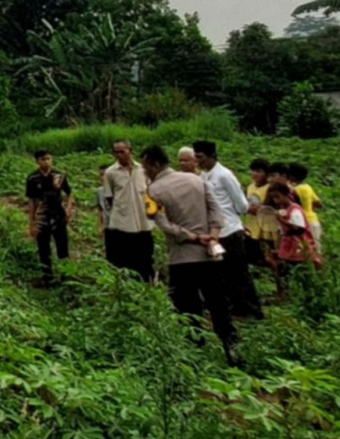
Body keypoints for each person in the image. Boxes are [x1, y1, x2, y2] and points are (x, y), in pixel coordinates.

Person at [141, 145, 240, 366]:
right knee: (218, 302)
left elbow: (165, 225)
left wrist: (193, 237)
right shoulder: (197, 180)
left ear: (155, 165)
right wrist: (213, 235)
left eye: (146, 167)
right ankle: (230, 344)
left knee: (187, 306)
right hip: (210, 256)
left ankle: (195, 353)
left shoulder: (153, 191)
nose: (145, 171)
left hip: (182, 259)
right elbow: (216, 210)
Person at [193, 141, 263, 320]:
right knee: (224, 272)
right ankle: (235, 307)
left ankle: (251, 310)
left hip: (230, 230)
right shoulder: (204, 176)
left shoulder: (224, 175)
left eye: (200, 157)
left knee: (238, 272)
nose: (198, 161)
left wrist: (233, 216)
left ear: (211, 156)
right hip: (216, 232)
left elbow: (241, 204)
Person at [103, 139, 155, 282]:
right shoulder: (110, 172)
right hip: (123, 221)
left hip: (143, 220)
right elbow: (109, 197)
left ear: (130, 151)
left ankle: (147, 282)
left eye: (122, 151)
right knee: (125, 256)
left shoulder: (143, 170)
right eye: (116, 152)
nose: (119, 155)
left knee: (145, 255)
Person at [25, 150, 73, 285]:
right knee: (43, 248)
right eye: (43, 159)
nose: (46, 162)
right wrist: (32, 223)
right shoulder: (32, 178)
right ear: (37, 161)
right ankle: (47, 277)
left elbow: (69, 193)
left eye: (48, 159)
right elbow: (32, 201)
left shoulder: (59, 175)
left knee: (62, 246)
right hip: (41, 216)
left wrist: (68, 209)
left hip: (58, 215)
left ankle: (66, 276)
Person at [267, 183, 322, 293]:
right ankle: (285, 291)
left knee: (300, 267)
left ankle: (307, 290)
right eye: (273, 198)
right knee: (283, 268)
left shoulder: (295, 210)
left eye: (277, 197)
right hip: (287, 243)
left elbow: (298, 229)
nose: (276, 200)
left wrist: (282, 220)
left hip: (297, 243)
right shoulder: (283, 209)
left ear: (286, 195)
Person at [244, 158, 278, 268]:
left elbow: (273, 207)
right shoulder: (250, 187)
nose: (255, 174)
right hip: (251, 227)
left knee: (269, 256)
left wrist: (261, 209)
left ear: (267, 174)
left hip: (266, 229)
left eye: (259, 171)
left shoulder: (270, 188)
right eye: (253, 170)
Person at [289, 163, 324, 253]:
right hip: (314, 220)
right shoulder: (308, 187)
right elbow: (319, 204)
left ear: (292, 176)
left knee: (304, 250)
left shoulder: (295, 190)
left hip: (303, 223)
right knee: (316, 249)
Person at [96, 164, 111, 255]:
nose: (103, 177)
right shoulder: (99, 191)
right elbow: (100, 209)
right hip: (107, 224)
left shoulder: (118, 190)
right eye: (101, 175)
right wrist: (100, 226)